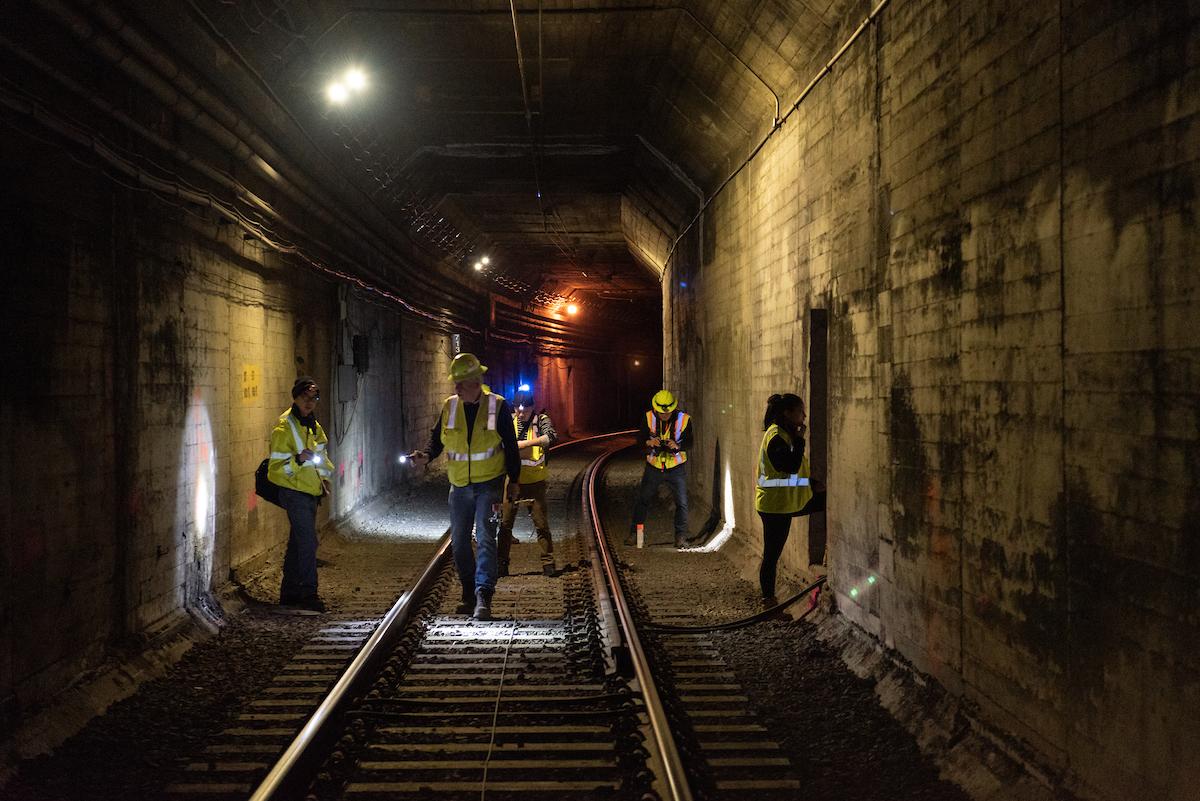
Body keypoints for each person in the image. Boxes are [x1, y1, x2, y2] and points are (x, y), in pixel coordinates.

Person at [410, 354, 521, 621]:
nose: (456, 388)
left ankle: (484, 594)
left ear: (475, 381)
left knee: (485, 538)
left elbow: (511, 446)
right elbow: (436, 440)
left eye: (460, 383)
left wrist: (514, 481)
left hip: (490, 484)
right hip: (459, 486)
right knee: (459, 542)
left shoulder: (498, 406)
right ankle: (468, 590)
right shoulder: (449, 406)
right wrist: (426, 456)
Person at [267, 377, 333, 612]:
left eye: (314, 398)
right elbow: (275, 470)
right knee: (308, 542)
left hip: (310, 491)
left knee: (298, 543)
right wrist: (297, 459)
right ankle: (308, 593)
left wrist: (324, 478)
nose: (309, 403)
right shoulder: (285, 427)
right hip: (293, 492)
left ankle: (290, 592)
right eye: (305, 398)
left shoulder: (313, 426)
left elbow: (322, 454)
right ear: (295, 397)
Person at [754, 392, 823, 615]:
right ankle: (768, 602)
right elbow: (789, 467)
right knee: (771, 555)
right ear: (787, 413)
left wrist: (811, 484)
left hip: (786, 501)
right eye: (800, 411)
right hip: (775, 506)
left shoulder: (784, 433)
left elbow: (790, 473)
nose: (804, 416)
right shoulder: (777, 437)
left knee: (827, 501)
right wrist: (801, 440)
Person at [498, 389, 559, 578]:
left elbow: (551, 437)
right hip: (512, 480)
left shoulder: (541, 421)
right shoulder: (509, 421)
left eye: (524, 409)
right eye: (517, 408)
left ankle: (548, 562)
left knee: (541, 524)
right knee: (505, 524)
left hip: (535, 482)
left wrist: (523, 445)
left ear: (532, 407)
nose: (520, 413)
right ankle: (501, 564)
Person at [628, 389, 693, 548]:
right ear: (656, 408)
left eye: (668, 412)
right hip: (654, 466)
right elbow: (640, 439)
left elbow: (690, 442)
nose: (664, 415)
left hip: (675, 467)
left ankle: (681, 537)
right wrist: (649, 443)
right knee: (642, 500)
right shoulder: (648, 417)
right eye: (661, 412)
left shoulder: (684, 420)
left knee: (682, 503)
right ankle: (636, 536)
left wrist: (677, 446)